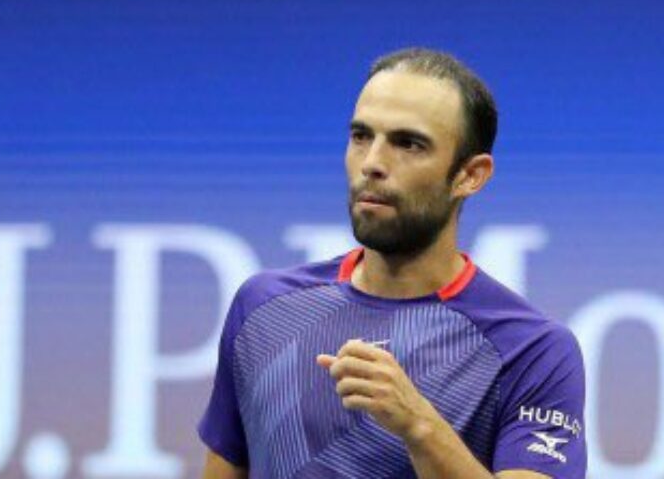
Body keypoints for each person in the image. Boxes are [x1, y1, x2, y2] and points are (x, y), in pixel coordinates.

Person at [198, 48, 586, 479]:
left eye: (408, 144)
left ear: (470, 175)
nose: (372, 163)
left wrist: (419, 426)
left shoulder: (533, 350)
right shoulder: (261, 307)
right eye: (361, 136)